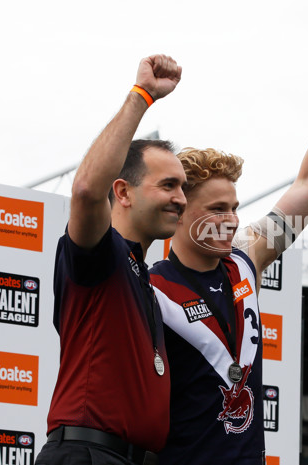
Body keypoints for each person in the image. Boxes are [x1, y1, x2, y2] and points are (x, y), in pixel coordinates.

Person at [149, 38, 308, 465]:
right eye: (216, 209)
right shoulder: (150, 286)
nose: (231, 220)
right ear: (179, 209)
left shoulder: (245, 263)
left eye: (234, 208)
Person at [35, 55, 187, 465]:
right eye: (168, 184)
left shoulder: (145, 280)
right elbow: (85, 190)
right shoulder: (103, 254)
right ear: (122, 192)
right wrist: (142, 96)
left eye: (183, 187)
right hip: (87, 454)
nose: (182, 198)